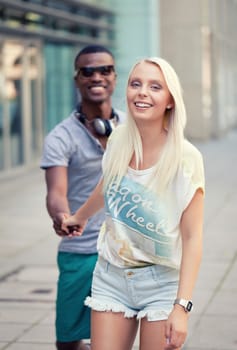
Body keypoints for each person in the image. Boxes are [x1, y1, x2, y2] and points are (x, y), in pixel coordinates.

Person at [62, 56, 205, 350]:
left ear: (170, 101)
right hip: (110, 275)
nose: (142, 92)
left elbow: (193, 237)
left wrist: (181, 307)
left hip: (161, 282)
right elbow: (109, 184)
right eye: (135, 84)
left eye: (155, 87)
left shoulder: (186, 158)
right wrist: (81, 216)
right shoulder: (118, 141)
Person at [40, 44, 124, 350]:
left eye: (104, 70)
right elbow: (56, 192)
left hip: (126, 253)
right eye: (87, 71)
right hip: (81, 251)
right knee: (69, 339)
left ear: (114, 77)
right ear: (77, 79)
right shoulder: (60, 137)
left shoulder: (133, 127)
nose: (96, 77)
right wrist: (62, 217)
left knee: (117, 337)